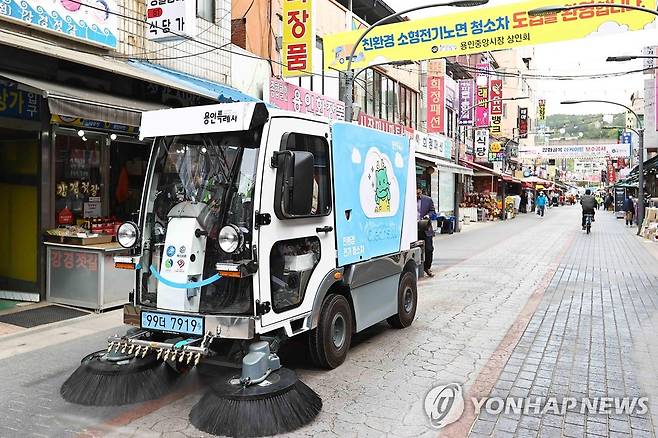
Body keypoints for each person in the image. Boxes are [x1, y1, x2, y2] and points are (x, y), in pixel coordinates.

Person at [417, 189, 436, 277]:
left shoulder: (428, 200)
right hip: (413, 228)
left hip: (425, 227)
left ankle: (427, 267)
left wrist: (428, 216)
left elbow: (433, 211)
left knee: (429, 249)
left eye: (419, 192)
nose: (417, 194)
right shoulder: (408, 199)